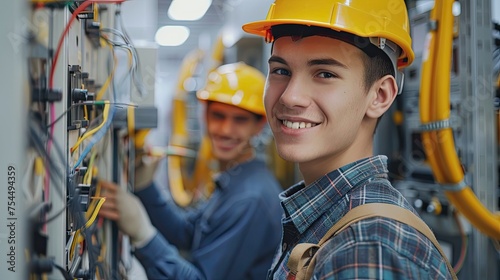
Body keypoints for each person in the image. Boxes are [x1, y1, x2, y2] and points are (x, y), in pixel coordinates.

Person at [242, 0, 456, 279]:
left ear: (379, 96)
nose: (290, 97)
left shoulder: (366, 249)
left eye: (325, 74)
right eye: (281, 71)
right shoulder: (332, 221)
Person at [99, 62, 283, 280]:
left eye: (240, 120)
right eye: (218, 116)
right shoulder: (236, 180)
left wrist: (143, 235)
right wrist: (145, 187)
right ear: (205, 116)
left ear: (259, 125)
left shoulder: (250, 200)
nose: (225, 130)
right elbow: (186, 232)